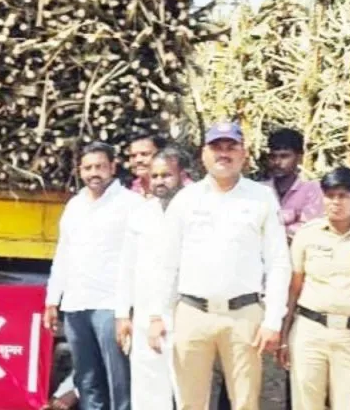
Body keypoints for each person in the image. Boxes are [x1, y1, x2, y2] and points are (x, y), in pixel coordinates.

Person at [150, 122, 291, 410]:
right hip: (192, 313)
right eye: (217, 148)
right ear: (204, 154)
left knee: (245, 402)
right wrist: (157, 315)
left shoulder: (260, 198)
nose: (223, 154)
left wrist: (273, 320)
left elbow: (278, 262)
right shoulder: (186, 200)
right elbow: (166, 262)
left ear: (244, 154)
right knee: (190, 403)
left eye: (231, 147)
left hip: (244, 315)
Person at [278, 167, 350, 410]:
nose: (335, 202)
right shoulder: (307, 234)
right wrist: (285, 336)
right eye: (330, 195)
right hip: (309, 332)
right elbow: (294, 289)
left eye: (343, 196)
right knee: (306, 403)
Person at [44, 142, 142, 410]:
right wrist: (53, 300)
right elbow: (63, 254)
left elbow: (140, 259)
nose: (94, 173)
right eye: (88, 168)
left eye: (100, 166)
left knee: (119, 380)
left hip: (112, 306)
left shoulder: (131, 205)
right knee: (87, 381)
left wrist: (129, 308)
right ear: (80, 171)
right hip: (76, 305)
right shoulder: (75, 206)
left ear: (113, 167)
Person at [115, 147, 189, 410]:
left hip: (184, 316)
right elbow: (128, 266)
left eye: (167, 175)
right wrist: (122, 314)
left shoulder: (194, 212)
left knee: (186, 394)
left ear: (182, 175)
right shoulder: (142, 214)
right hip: (144, 315)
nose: (159, 181)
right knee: (147, 394)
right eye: (155, 175)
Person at [262, 128, 324, 242]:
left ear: (299, 158)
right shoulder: (259, 190)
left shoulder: (312, 190)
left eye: (284, 156)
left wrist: (269, 230)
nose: (277, 162)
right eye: (273, 156)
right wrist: (292, 216)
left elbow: (308, 230)